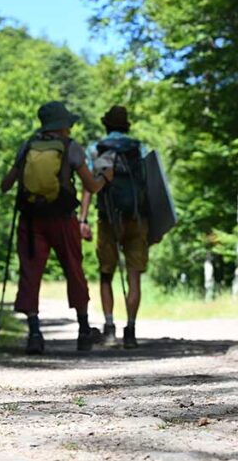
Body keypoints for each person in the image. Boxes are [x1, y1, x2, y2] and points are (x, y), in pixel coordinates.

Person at [0, 101, 112, 354]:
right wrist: (105, 176)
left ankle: (35, 334)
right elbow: (91, 187)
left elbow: (5, 185)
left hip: (30, 220)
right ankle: (84, 331)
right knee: (74, 269)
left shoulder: (27, 146)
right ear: (62, 125)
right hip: (62, 218)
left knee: (30, 273)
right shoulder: (70, 148)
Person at [79, 105, 151, 349]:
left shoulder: (97, 148)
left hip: (108, 218)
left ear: (107, 125)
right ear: (126, 125)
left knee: (106, 274)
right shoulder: (140, 148)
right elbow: (151, 185)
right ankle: (130, 331)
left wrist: (83, 219)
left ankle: (110, 330)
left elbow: (90, 186)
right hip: (136, 218)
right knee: (134, 276)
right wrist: (154, 223)